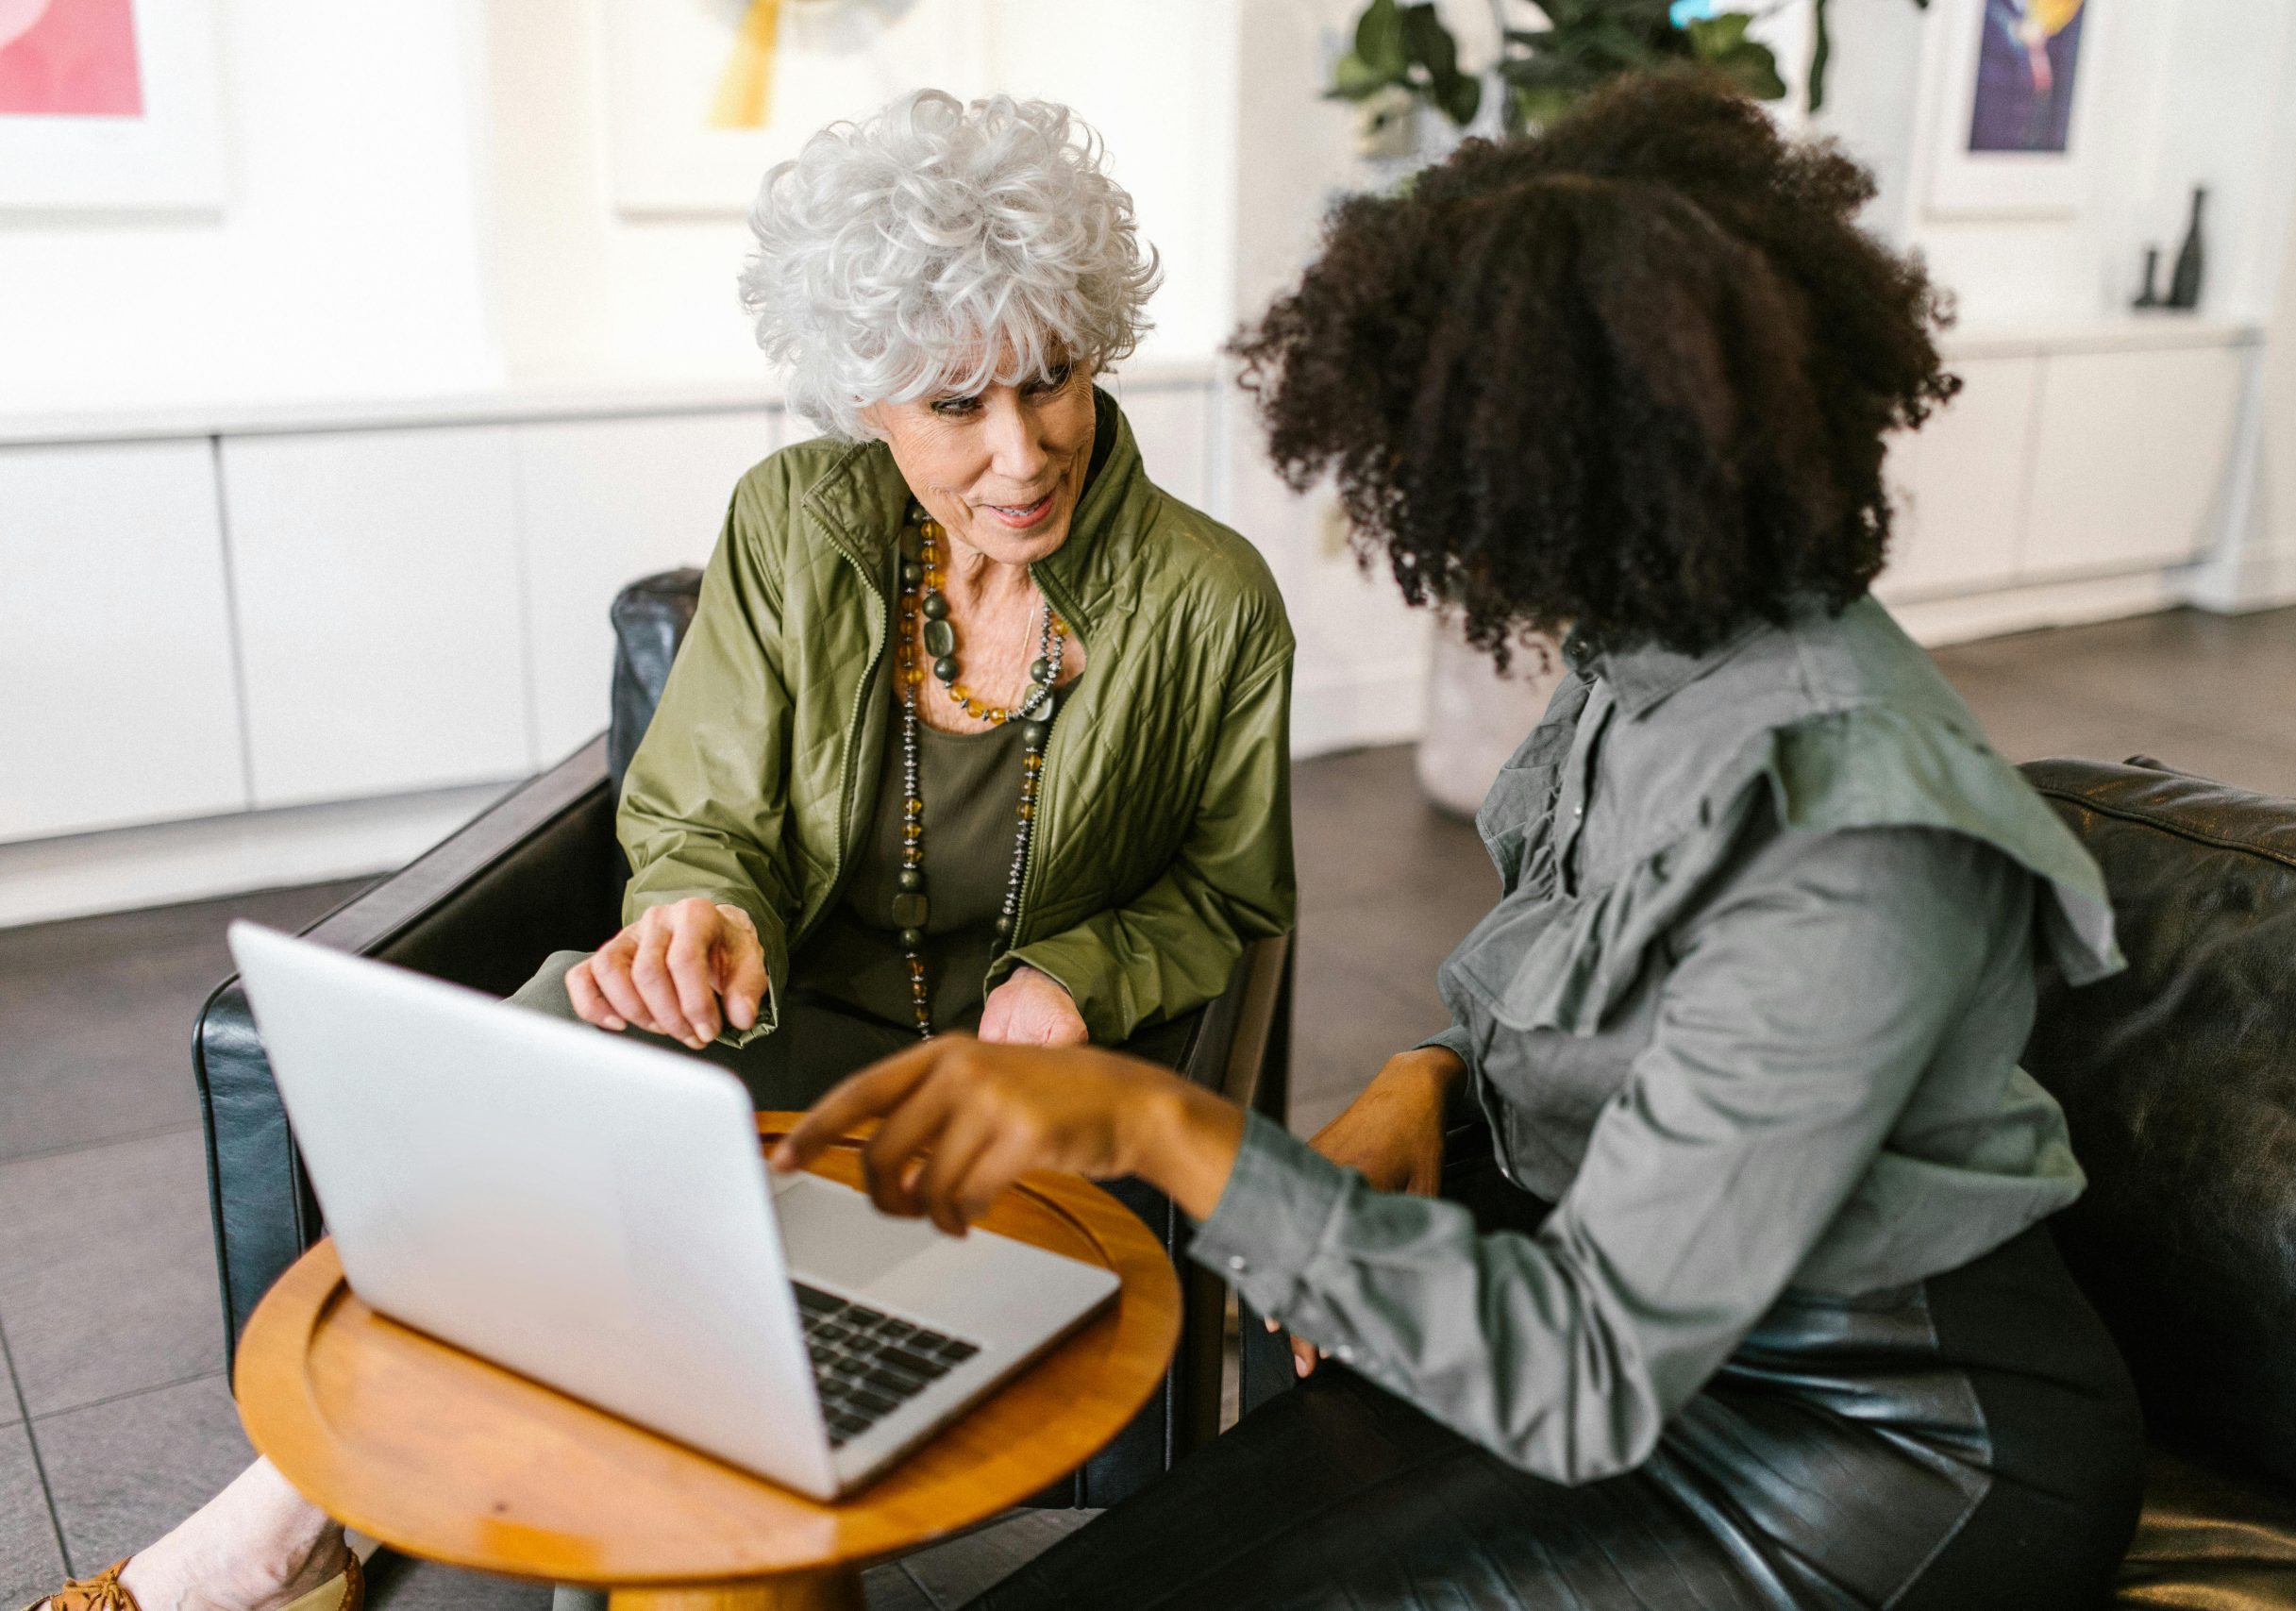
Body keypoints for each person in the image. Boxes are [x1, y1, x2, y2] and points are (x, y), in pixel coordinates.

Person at [771, 74, 2147, 1611]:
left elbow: (1587, 1372)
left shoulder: (1852, 830)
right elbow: (1628, 990)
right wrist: (1435, 1073)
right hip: (1648, 1339)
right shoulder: (1644, 652)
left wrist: (1163, 1129)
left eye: (1451, 460)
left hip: (1876, 1450)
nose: (1427, 519)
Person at [30, 90, 1292, 1611]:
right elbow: (695, 810)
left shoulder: (1215, 600)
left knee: (638, 1332)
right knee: (561, 1048)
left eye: (1054, 381)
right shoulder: (790, 525)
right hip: (779, 1042)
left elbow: (1232, 892)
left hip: (992, 1100)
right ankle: (284, 1522)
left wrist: (1081, 973)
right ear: (866, 403)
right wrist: (705, 912)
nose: (1023, 453)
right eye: (955, 406)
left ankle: (315, 1549)